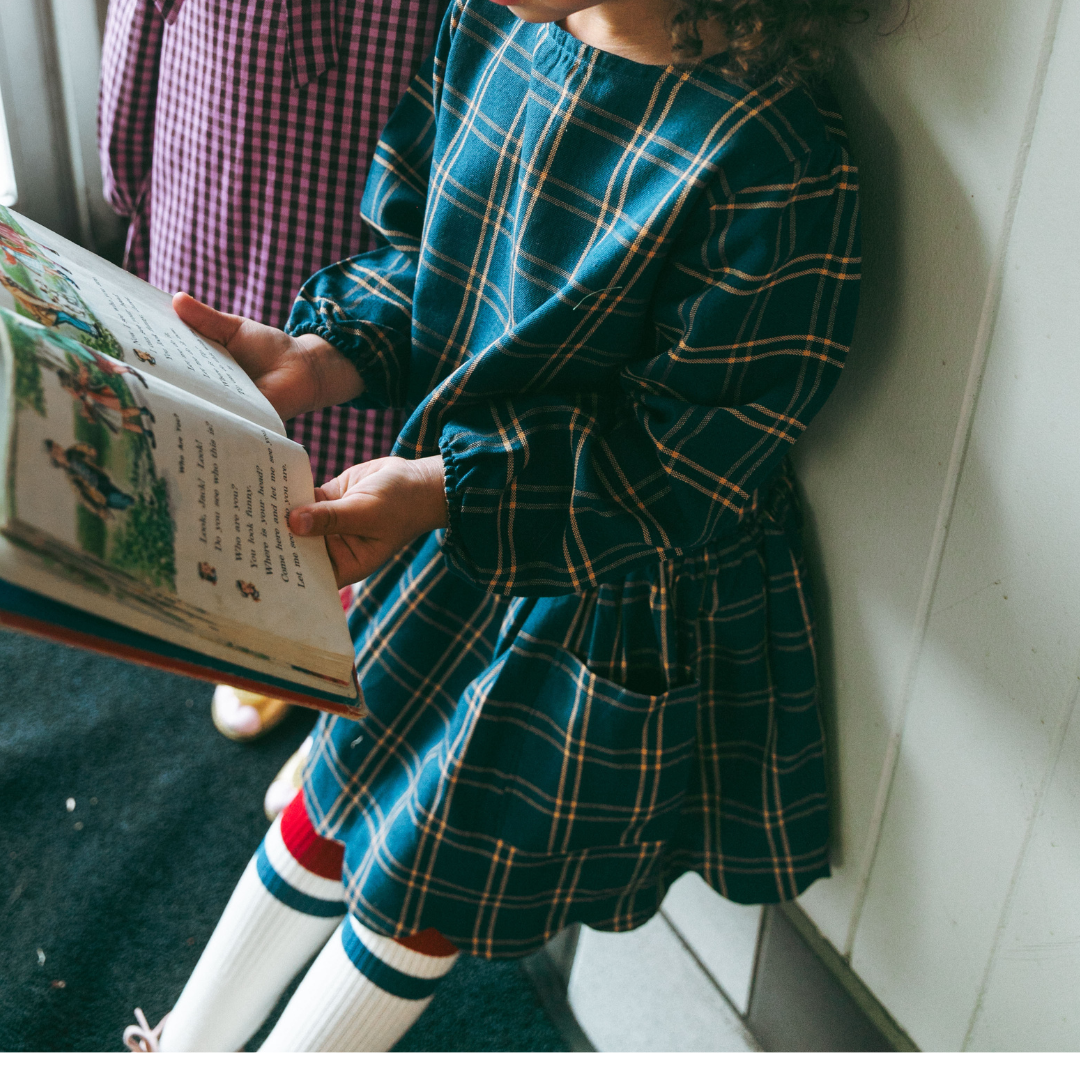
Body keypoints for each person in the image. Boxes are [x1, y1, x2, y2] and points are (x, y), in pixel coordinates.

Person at [122, 0, 863, 1052]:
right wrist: (322, 355)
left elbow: (688, 470)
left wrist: (439, 493)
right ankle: (182, 1053)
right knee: (341, 782)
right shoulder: (489, 24)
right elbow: (422, 256)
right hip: (453, 534)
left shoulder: (772, 156)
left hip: (601, 594)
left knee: (432, 868)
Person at [98, 0, 443, 745]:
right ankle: (253, 607)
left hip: (386, 200)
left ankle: (341, 631)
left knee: (360, 445)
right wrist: (128, 184)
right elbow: (137, 33)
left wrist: (123, 182)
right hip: (221, 147)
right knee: (226, 401)